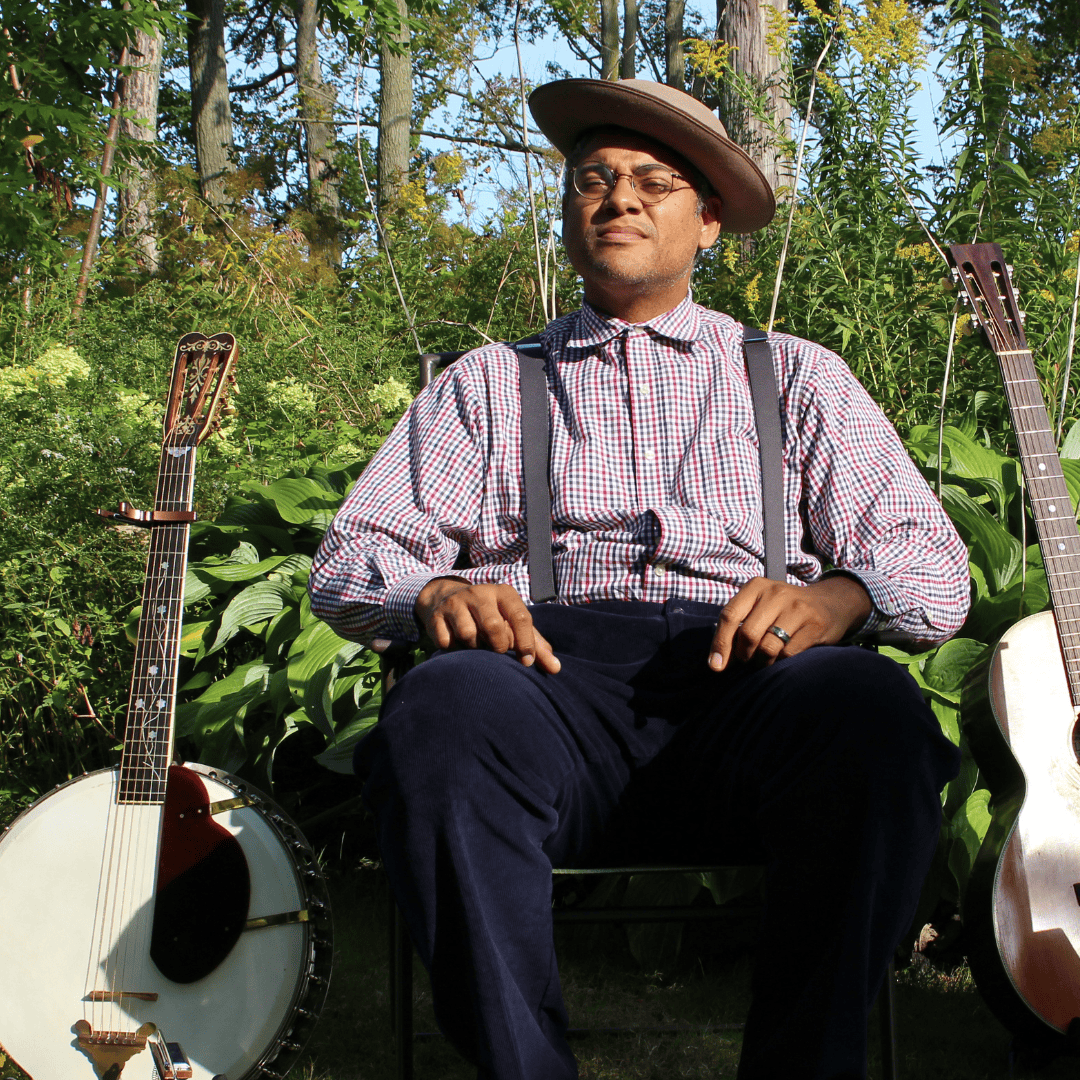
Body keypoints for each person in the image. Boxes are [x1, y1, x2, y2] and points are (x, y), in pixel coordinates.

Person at [309, 78, 969, 1080]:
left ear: (707, 222)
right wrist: (434, 595)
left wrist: (842, 596)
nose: (618, 198)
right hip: (544, 691)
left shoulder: (797, 376)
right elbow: (352, 558)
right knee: (441, 711)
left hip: (751, 698)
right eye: (594, 180)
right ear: (571, 213)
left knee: (874, 711)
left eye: (653, 183)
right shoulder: (487, 384)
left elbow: (933, 568)